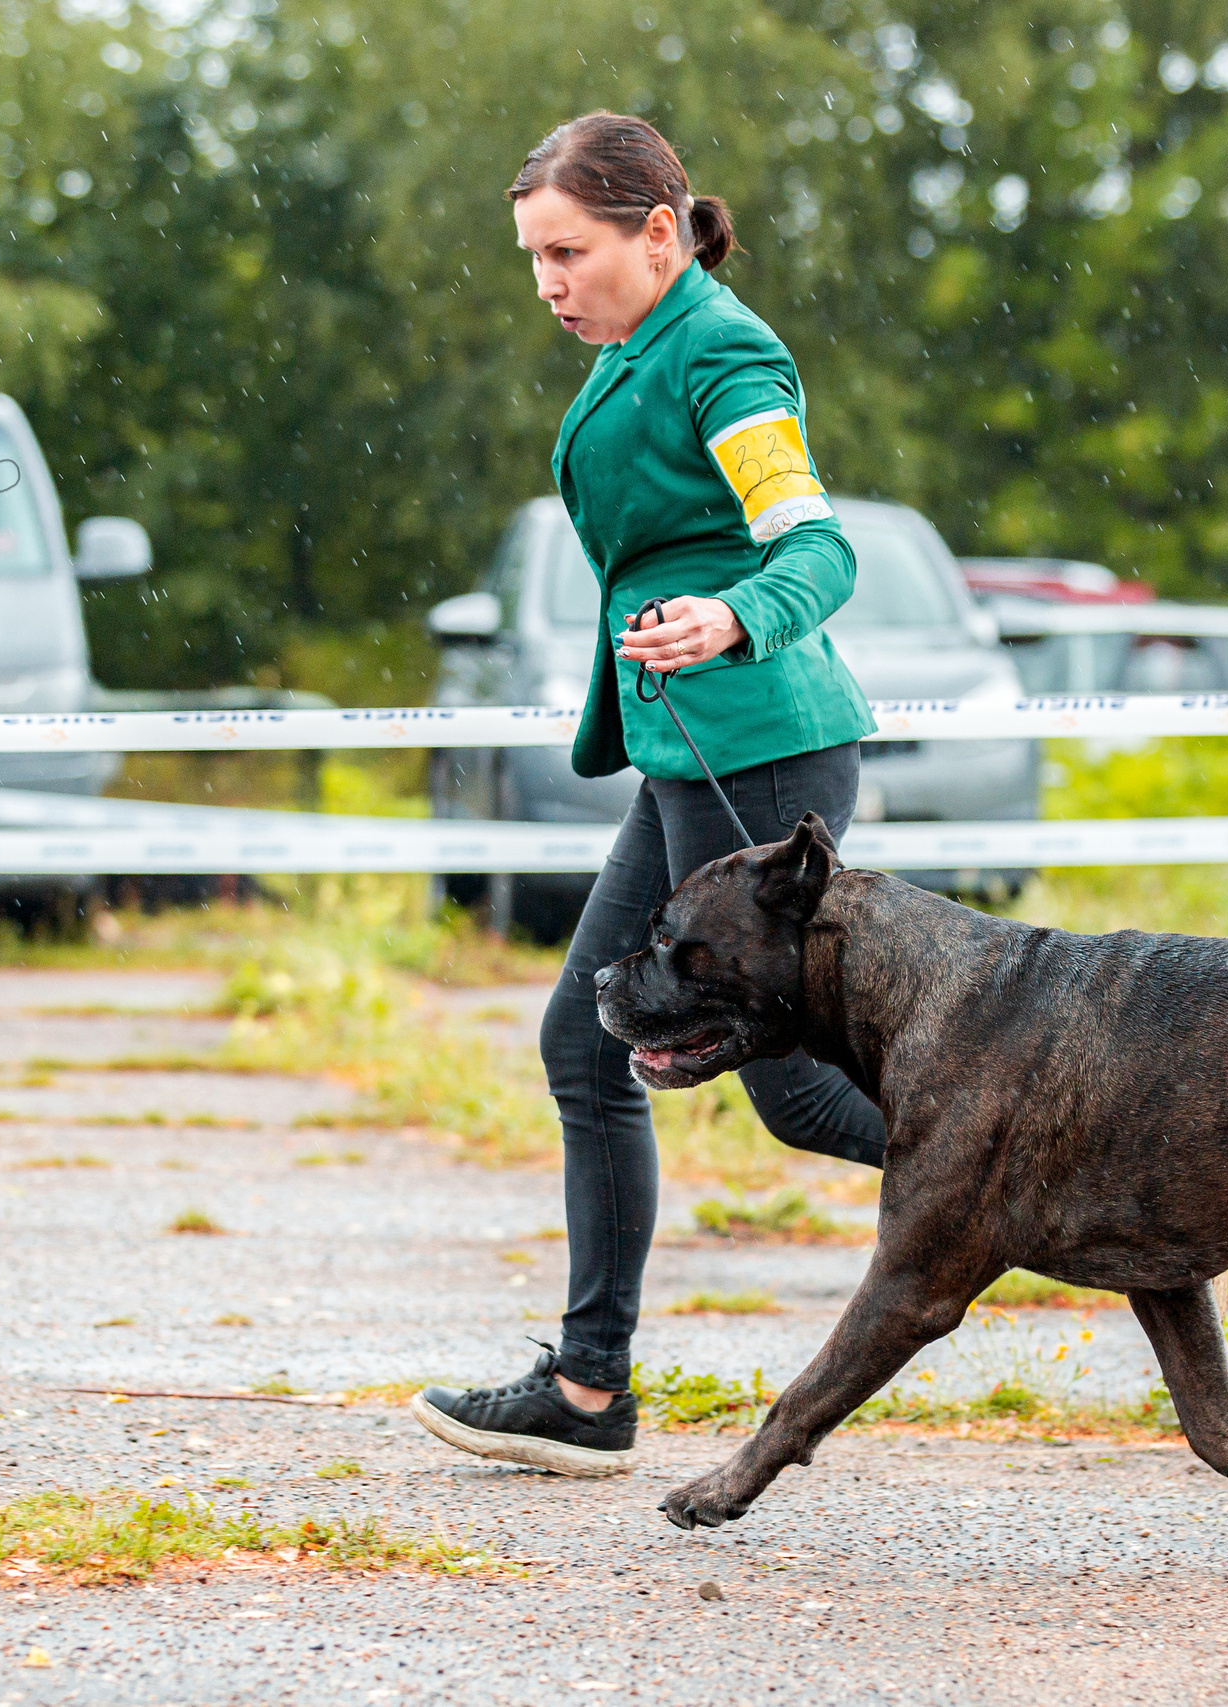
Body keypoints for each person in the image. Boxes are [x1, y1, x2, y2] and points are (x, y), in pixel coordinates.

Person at [412, 112, 886, 1478]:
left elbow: (818, 547)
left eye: (569, 251)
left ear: (659, 231)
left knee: (794, 1097)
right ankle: (587, 1386)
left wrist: (732, 619)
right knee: (585, 1044)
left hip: (762, 756)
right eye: (534, 259)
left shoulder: (725, 354)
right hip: (688, 752)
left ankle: (1046, 1169)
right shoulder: (638, 351)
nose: (550, 283)